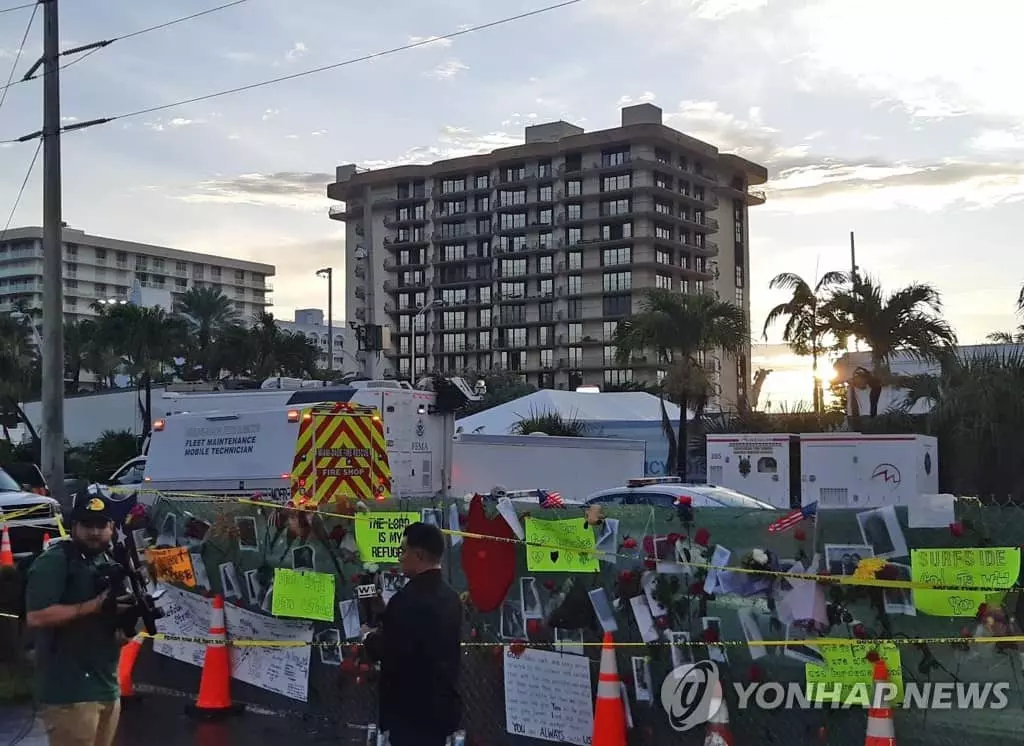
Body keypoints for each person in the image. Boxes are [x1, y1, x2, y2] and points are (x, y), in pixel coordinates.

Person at [25, 490, 129, 746]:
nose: (95, 532)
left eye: (101, 525)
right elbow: (37, 616)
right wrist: (92, 606)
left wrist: (125, 626)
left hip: (106, 683)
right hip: (69, 690)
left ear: (112, 527)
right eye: (87, 525)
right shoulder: (56, 561)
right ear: (73, 527)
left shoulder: (109, 562)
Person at [362, 522, 463, 746]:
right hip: (441, 709)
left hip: (410, 713)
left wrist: (367, 637)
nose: (399, 558)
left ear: (418, 555)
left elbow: (393, 651)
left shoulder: (407, 600)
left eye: (403, 551)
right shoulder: (451, 598)